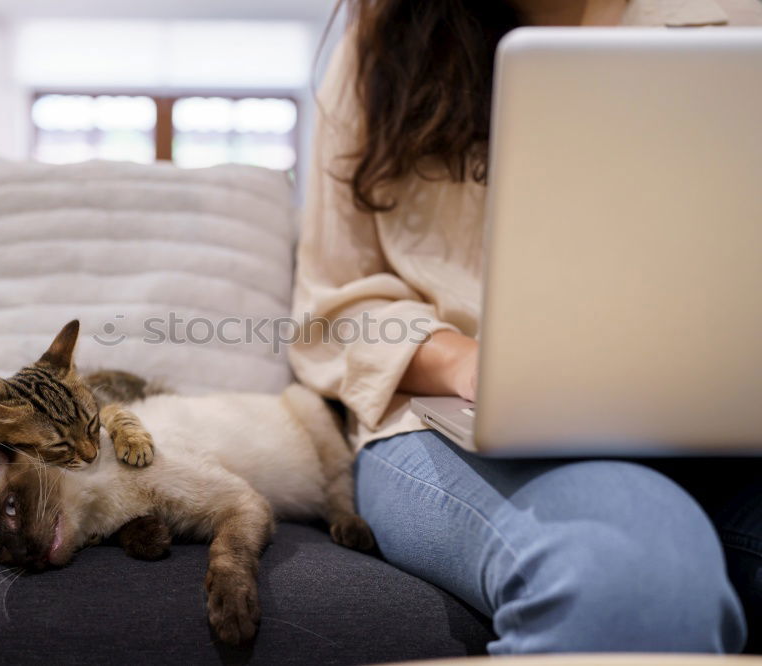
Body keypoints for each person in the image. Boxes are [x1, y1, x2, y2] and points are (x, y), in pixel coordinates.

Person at [290, 0, 762, 654]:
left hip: (727, 434)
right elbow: (331, 311)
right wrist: (460, 359)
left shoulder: (737, 21)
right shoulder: (382, 43)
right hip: (442, 421)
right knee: (627, 569)